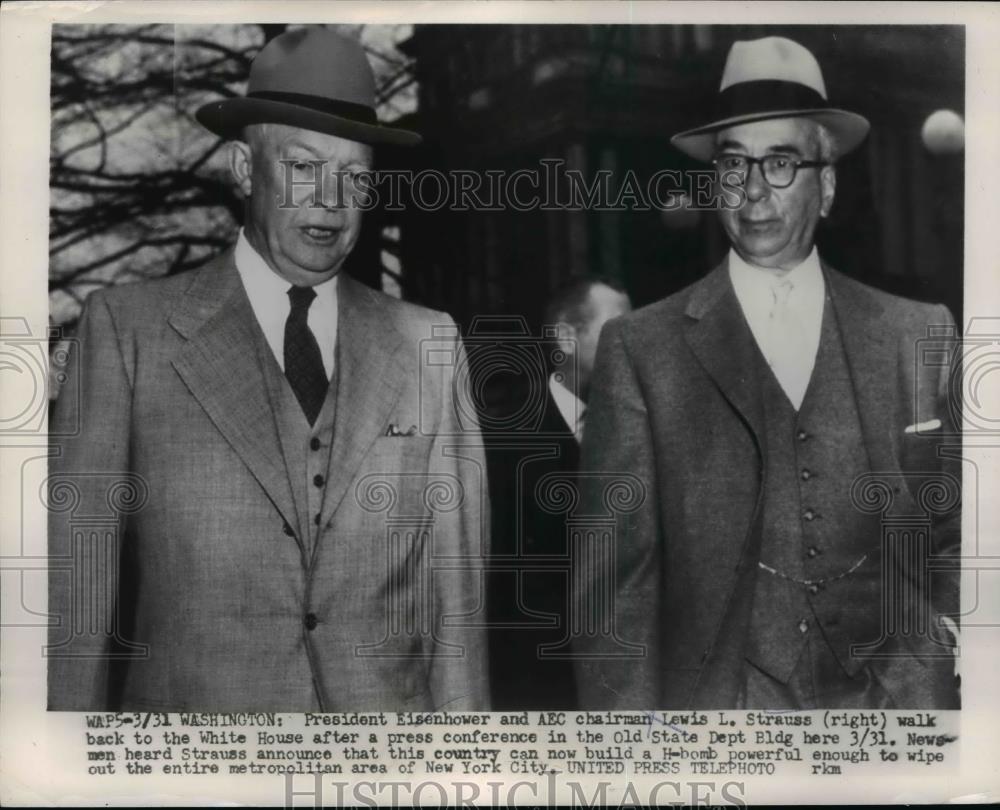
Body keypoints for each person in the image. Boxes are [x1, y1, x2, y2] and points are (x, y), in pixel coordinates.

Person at [47, 27, 489, 712]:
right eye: (305, 167)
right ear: (246, 170)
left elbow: (455, 615)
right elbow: (73, 612)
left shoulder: (429, 343)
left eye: (354, 176)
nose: (331, 200)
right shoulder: (126, 333)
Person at [573, 36, 960, 709]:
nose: (752, 191)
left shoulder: (918, 332)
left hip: (897, 729)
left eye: (780, 163)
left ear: (827, 184)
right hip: (727, 736)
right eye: (733, 166)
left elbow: (962, 528)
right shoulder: (641, 351)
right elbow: (614, 603)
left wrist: (945, 644)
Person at [484, 278, 631, 709]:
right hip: (544, 690)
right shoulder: (504, 445)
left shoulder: (643, 427)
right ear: (567, 338)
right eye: (619, 333)